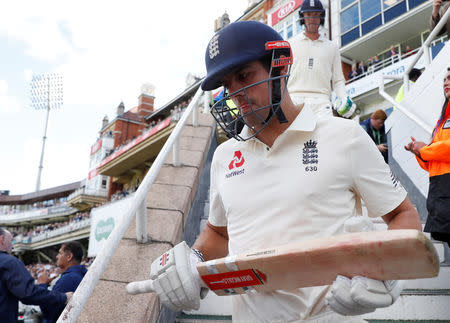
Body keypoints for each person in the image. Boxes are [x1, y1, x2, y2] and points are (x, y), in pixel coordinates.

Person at [146, 21, 421, 322]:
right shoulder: (225, 157)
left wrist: (386, 267)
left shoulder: (345, 136)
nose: (235, 93)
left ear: (279, 68)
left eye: (244, 76)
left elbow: (403, 215)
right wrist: (194, 259)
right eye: (227, 85)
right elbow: (218, 232)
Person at [405, 67, 450, 247]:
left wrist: (425, 150)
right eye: (444, 80)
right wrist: (419, 152)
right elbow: (432, 163)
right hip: (440, 191)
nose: (446, 83)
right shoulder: (442, 121)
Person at [287, 0, 351, 119]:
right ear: (302, 17)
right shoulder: (290, 44)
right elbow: (282, 76)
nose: (312, 19)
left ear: (321, 17)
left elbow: (338, 80)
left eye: (316, 15)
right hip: (294, 99)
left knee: (324, 136)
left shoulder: (332, 47)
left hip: (322, 101)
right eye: (308, 15)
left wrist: (344, 97)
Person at [0, 228, 71, 323]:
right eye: (10, 240)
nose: (12, 246)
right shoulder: (9, 262)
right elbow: (28, 294)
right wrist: (63, 297)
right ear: (1, 239)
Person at [37, 241, 87, 323]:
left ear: (69, 256)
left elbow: (49, 311)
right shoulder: (79, 274)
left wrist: (42, 285)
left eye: (60, 253)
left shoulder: (69, 278)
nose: (57, 256)